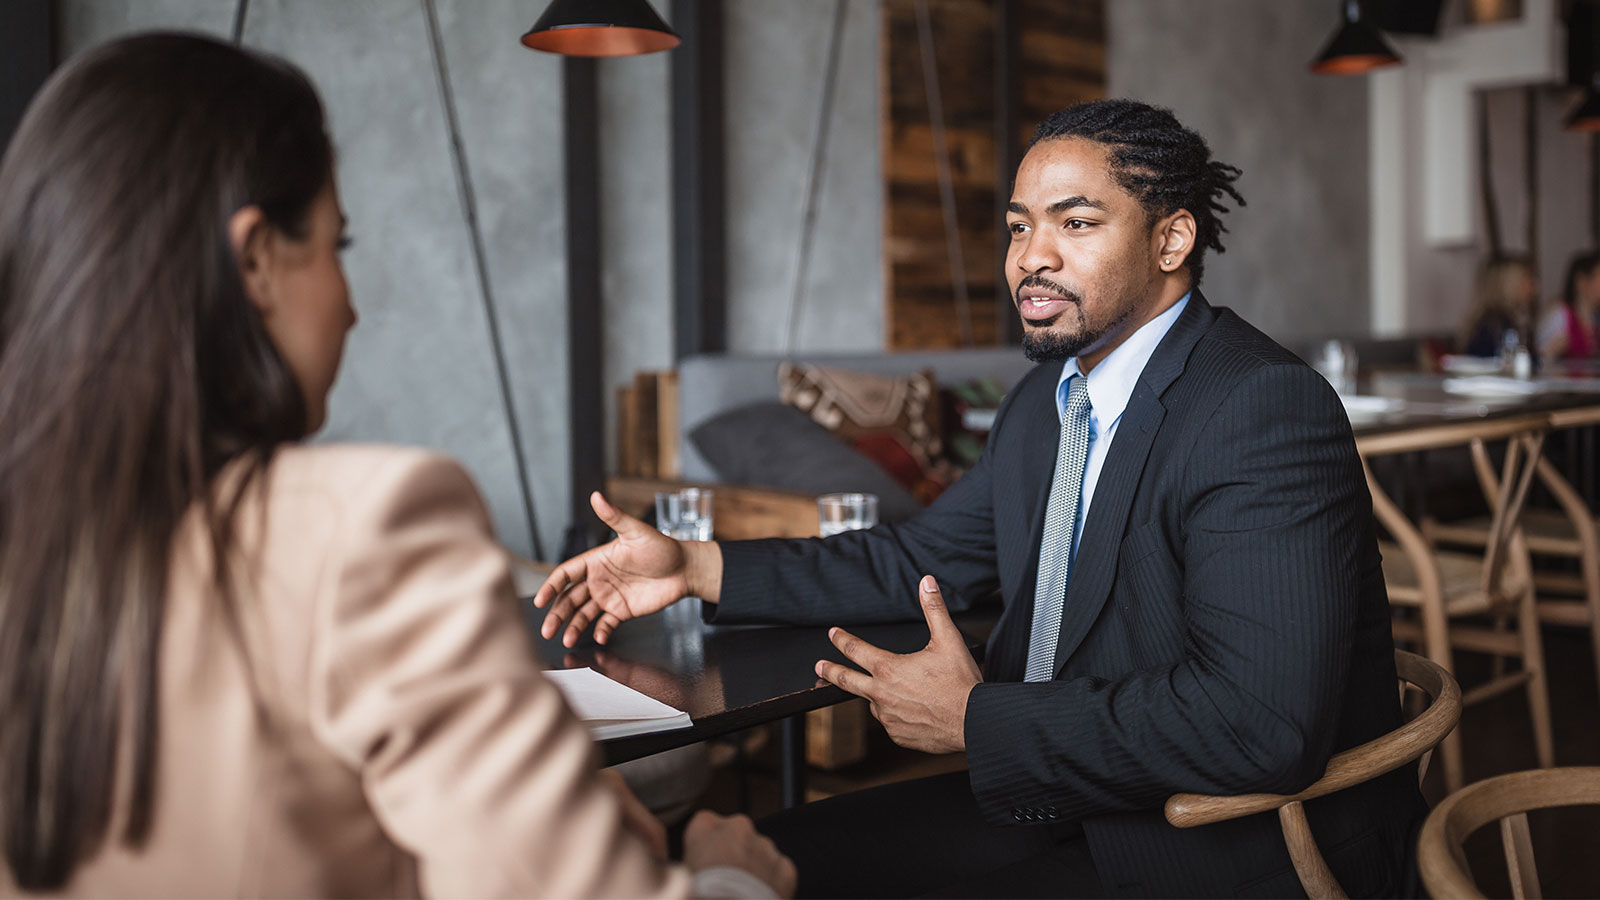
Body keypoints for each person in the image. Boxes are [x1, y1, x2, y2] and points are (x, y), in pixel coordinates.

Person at [538, 98, 1423, 898]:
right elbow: (917, 557)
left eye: (1076, 223)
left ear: (1171, 240)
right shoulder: (1049, 401)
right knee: (758, 862)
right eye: (1017, 227)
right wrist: (693, 565)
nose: (1031, 258)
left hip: (1217, 848)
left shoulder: (1260, 407)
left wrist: (974, 719)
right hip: (1065, 798)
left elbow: (1259, 726)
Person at [0, 33, 794, 899]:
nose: (350, 306)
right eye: (337, 248)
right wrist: (728, 876)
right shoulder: (364, 526)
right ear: (256, 258)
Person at [1459, 255, 1539, 358]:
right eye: (1528, 279)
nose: (1535, 288)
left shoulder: (1491, 319)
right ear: (1509, 284)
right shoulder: (1494, 325)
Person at [1536, 248, 1600, 361]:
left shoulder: (1595, 318)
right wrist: (1550, 352)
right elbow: (1540, 359)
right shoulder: (1560, 315)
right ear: (1581, 281)